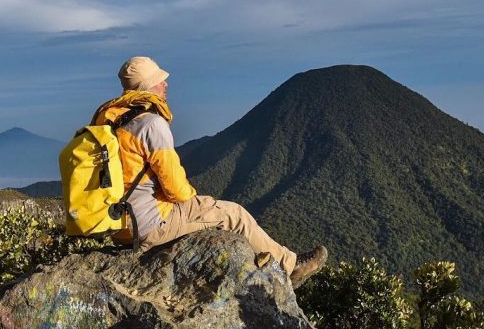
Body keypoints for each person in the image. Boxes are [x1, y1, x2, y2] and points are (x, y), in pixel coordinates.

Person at [90, 56, 327, 289]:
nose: (165, 84)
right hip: (150, 226)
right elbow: (177, 190)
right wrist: (197, 202)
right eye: (160, 80)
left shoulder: (110, 122)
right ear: (147, 86)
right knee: (235, 215)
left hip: (119, 228)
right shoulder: (150, 124)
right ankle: (290, 266)